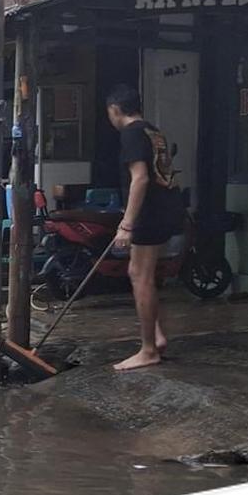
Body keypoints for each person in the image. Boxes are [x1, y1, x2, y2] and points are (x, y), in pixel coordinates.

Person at [106, 84, 184, 371]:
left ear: (115, 110)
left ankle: (149, 349)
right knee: (142, 274)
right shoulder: (153, 130)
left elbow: (139, 179)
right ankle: (158, 336)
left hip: (149, 213)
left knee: (140, 276)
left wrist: (126, 225)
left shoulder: (130, 133)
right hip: (167, 208)